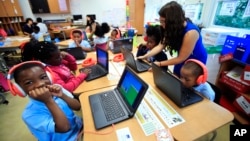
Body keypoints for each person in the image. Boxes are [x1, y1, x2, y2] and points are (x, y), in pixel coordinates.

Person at [8, 61, 83, 141]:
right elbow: (64, 128)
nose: (40, 84)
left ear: (50, 77)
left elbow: (77, 106)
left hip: (78, 128)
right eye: (29, 82)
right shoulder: (29, 114)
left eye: (43, 77)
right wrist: (48, 101)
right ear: (19, 89)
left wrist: (62, 95)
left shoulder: (57, 90)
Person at [137, 1, 207, 77]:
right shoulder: (173, 28)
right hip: (181, 58)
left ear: (173, 21)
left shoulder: (191, 33)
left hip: (194, 62)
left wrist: (160, 63)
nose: (162, 25)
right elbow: (161, 46)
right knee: (176, 80)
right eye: (161, 22)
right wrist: (145, 56)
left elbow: (181, 58)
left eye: (164, 22)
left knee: (187, 82)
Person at [21, 41, 90, 92]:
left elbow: (73, 67)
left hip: (76, 84)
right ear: (46, 60)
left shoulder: (57, 62)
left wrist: (68, 56)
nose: (60, 58)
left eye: (60, 54)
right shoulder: (51, 73)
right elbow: (66, 89)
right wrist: (82, 76)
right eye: (57, 57)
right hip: (73, 92)